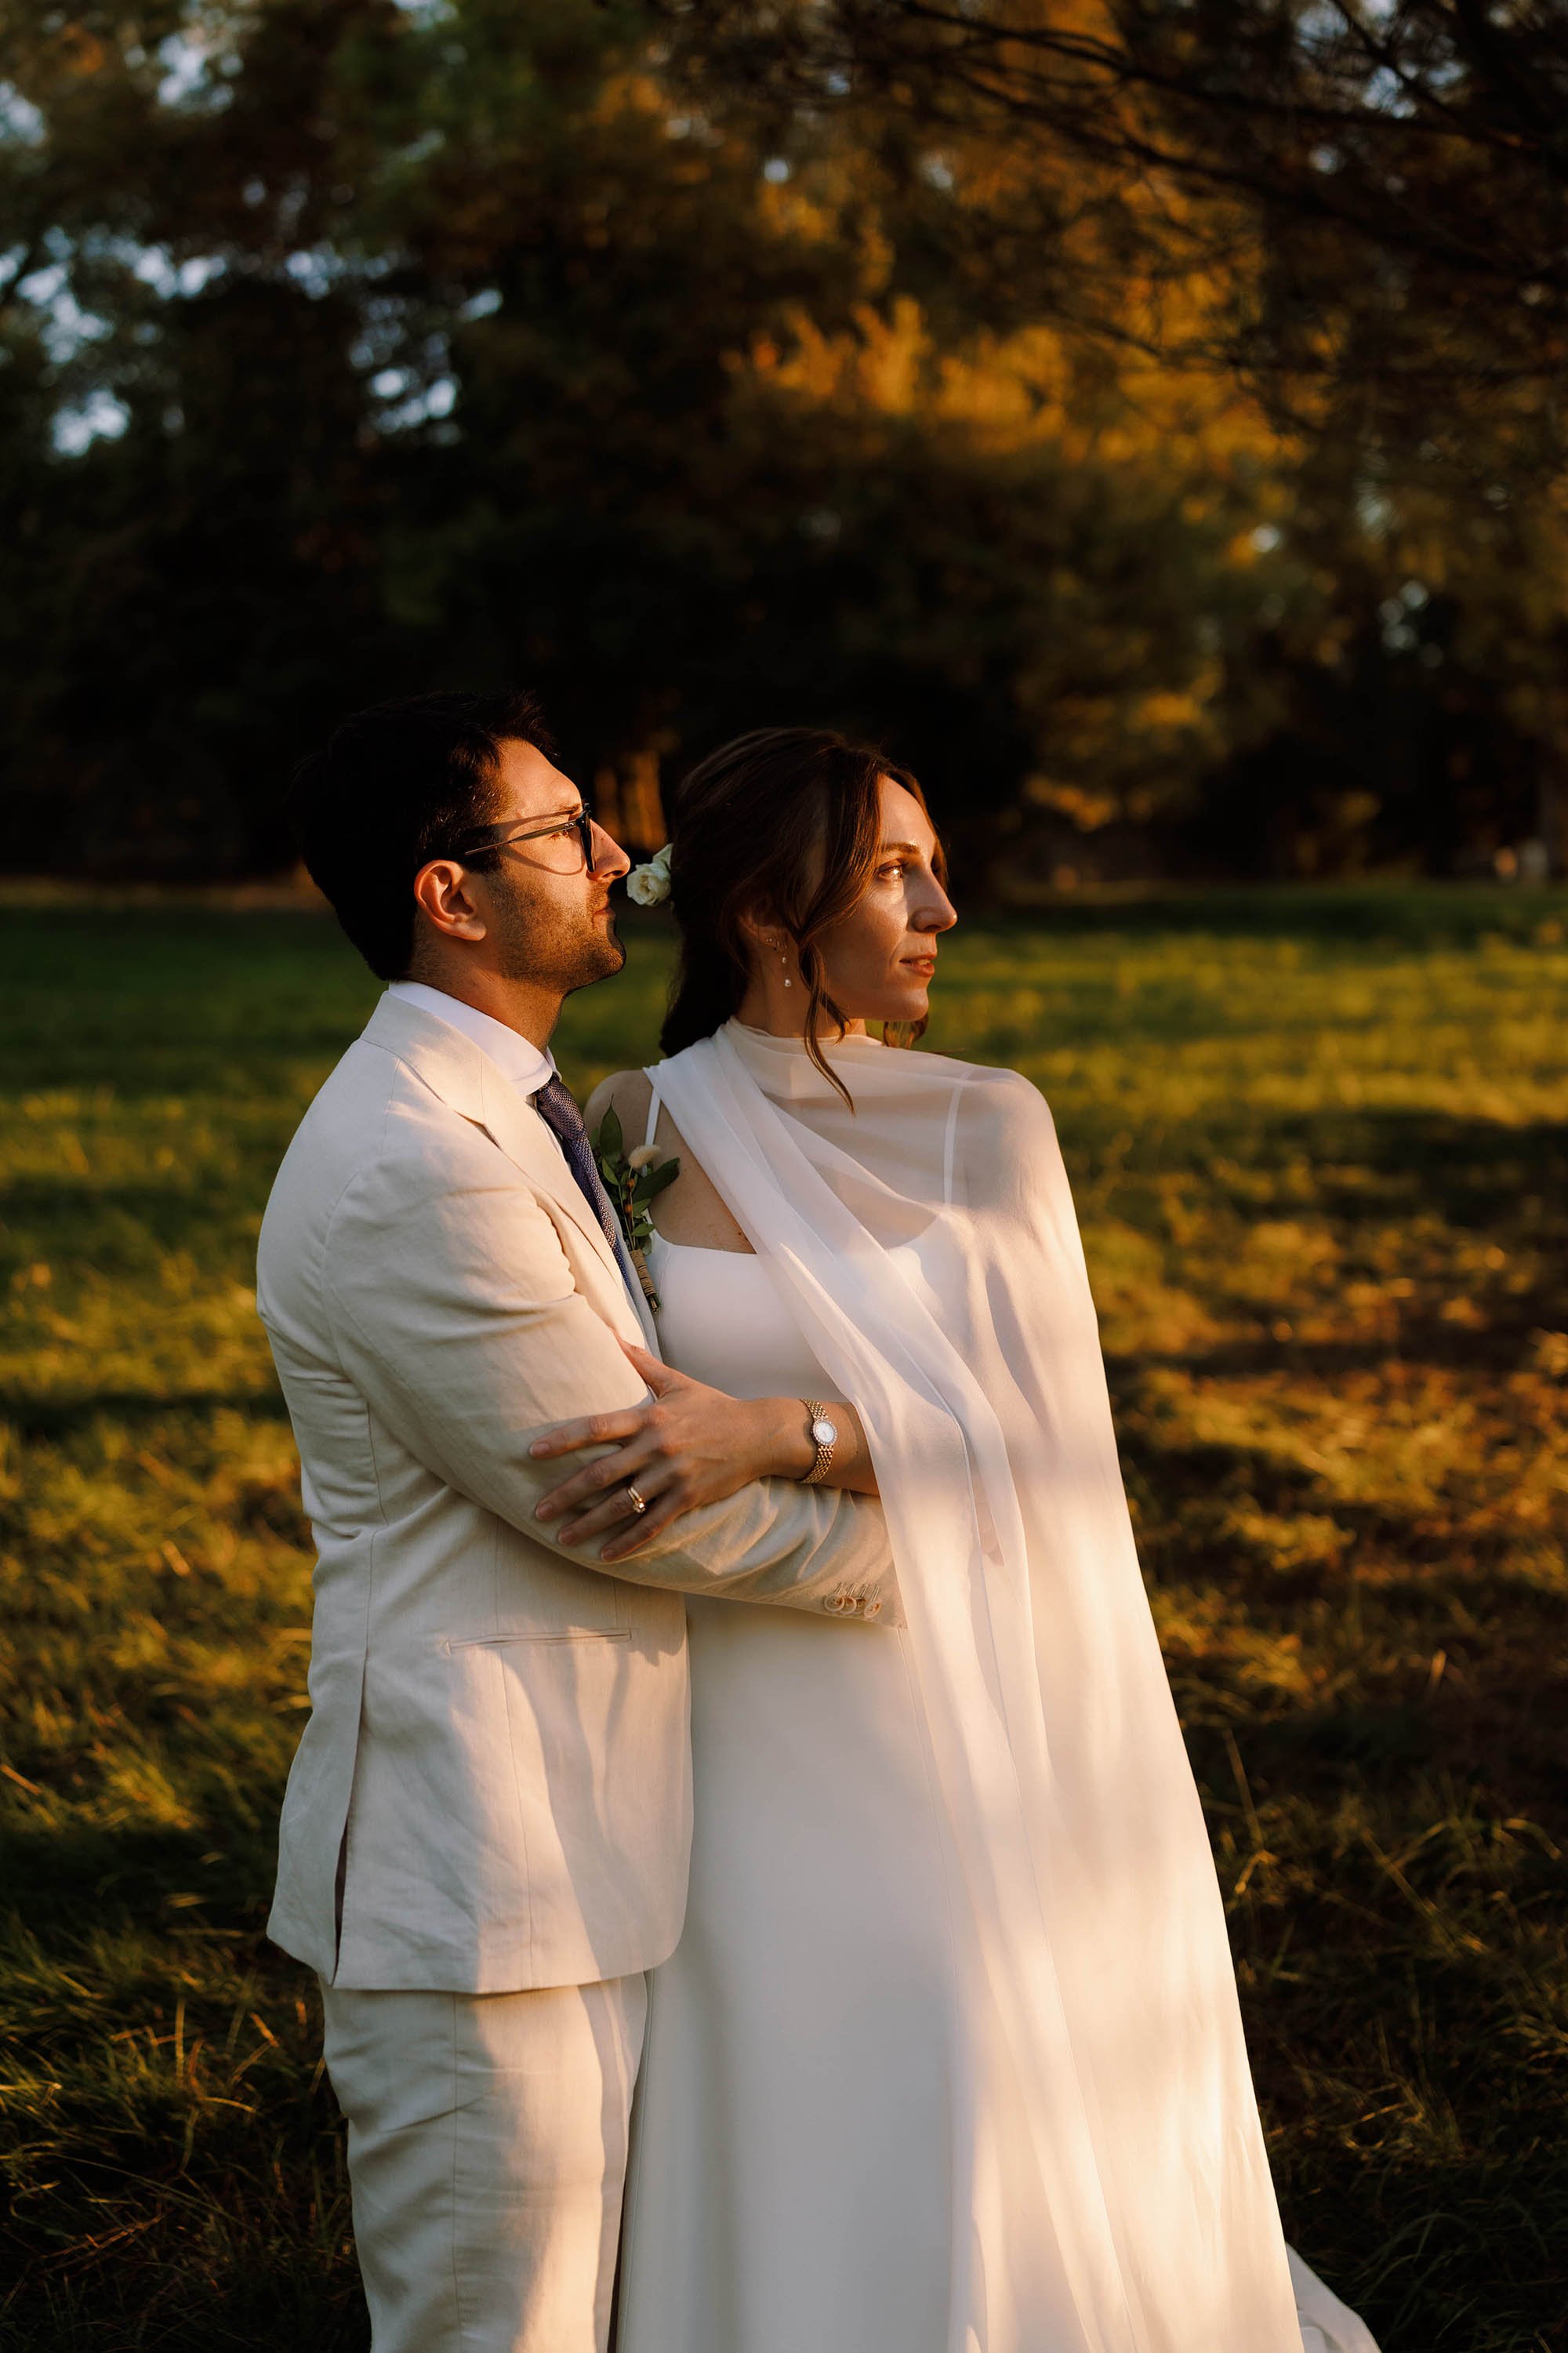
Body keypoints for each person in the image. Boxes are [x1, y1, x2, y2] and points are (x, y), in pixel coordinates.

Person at [532, 727, 1381, 2353]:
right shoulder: (633, 1121)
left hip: (941, 1688)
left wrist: (778, 1428)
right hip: (723, 1701)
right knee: (765, 2054)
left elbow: (1044, 1449)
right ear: (773, 914)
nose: (944, 907)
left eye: (931, 866)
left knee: (946, 2043)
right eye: (892, 871)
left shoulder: (989, 1125)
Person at [255, 691, 901, 2353]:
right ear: (448, 896)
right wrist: (919, 1560)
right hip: (480, 1891)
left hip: (585, 1850)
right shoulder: (417, 1161)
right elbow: (618, 1498)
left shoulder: (518, 1111)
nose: (621, 858)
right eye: (566, 834)